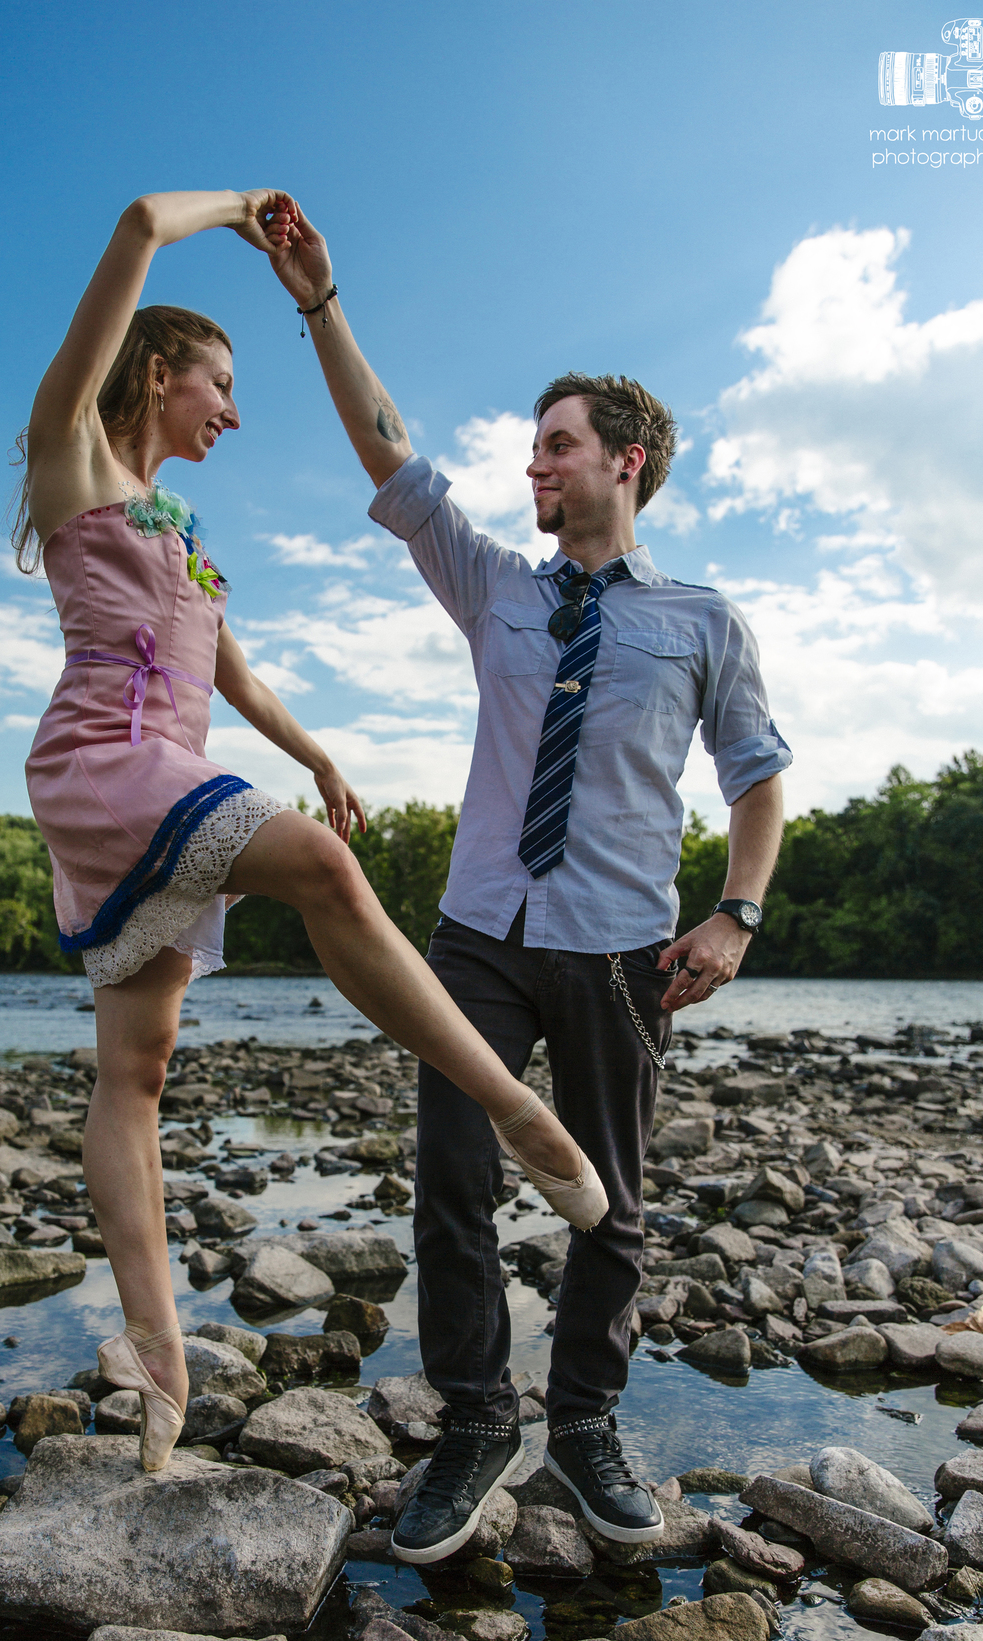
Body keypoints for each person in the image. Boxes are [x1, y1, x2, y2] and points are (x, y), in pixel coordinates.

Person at [17, 188, 610, 1486]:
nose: (233, 409)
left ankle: (158, 1355)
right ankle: (513, 1104)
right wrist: (236, 215)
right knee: (327, 871)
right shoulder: (70, 456)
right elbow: (126, 226)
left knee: (137, 1072)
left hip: (166, 772)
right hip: (106, 768)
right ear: (161, 371)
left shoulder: (187, 532)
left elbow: (232, 674)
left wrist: (321, 752)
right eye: (220, 385)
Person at [261, 197, 790, 1563]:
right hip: (477, 935)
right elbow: (393, 451)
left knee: (610, 1196)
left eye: (556, 442)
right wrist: (321, 301)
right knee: (449, 1172)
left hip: (624, 949)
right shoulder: (493, 582)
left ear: (627, 460)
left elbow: (758, 775)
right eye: (533, 444)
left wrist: (735, 912)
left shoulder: (702, 622)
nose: (533, 461)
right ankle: (478, 1418)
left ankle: (589, 1422)